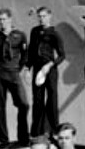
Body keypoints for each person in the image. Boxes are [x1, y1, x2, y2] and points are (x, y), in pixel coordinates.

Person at [0, 9, 31, 144]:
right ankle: (3, 140)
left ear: (10, 19)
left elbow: (25, 54)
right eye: (0, 19)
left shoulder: (19, 35)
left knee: (24, 104)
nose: (2, 22)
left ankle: (23, 137)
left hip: (13, 73)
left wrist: (20, 68)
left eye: (4, 19)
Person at [28, 8, 63, 136]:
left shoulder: (54, 34)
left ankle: (54, 131)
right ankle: (36, 133)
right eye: (39, 16)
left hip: (50, 69)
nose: (41, 19)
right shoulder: (34, 31)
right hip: (38, 69)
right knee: (37, 100)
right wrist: (27, 68)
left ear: (49, 16)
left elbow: (62, 55)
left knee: (52, 99)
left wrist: (50, 65)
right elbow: (31, 51)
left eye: (44, 16)